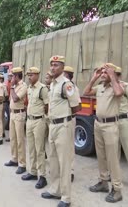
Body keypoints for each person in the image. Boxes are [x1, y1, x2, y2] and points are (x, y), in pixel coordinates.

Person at [41, 55, 81, 207]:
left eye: (56, 65)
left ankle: (66, 197)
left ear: (63, 67)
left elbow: (77, 106)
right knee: (53, 160)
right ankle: (55, 190)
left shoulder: (67, 85)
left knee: (64, 162)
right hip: (52, 125)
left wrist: (66, 116)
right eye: (51, 65)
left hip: (64, 126)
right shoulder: (53, 84)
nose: (52, 68)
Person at [84, 63, 123, 203]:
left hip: (111, 125)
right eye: (102, 72)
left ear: (112, 73)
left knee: (112, 159)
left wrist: (112, 76)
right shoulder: (100, 87)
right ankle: (103, 182)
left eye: (105, 72)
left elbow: (119, 93)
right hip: (98, 124)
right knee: (101, 156)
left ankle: (117, 190)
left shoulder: (117, 86)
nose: (102, 74)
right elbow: (86, 92)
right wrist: (94, 78)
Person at [22, 67, 48, 188]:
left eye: (31, 75)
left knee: (39, 149)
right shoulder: (29, 89)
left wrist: (43, 118)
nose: (29, 77)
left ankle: (42, 176)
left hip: (39, 121)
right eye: (28, 75)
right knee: (31, 147)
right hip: (30, 120)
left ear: (37, 75)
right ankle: (32, 171)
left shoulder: (42, 88)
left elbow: (47, 105)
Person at [4, 67, 27, 175]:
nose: (11, 78)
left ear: (17, 76)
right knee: (13, 138)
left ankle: (22, 164)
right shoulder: (15, 86)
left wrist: (12, 86)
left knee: (20, 139)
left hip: (19, 114)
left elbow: (15, 98)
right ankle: (14, 159)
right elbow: (10, 99)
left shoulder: (23, 86)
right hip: (13, 113)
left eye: (13, 76)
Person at [63, 66, 81, 182]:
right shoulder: (59, 86)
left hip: (69, 119)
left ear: (67, 75)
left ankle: (70, 171)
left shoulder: (71, 87)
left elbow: (77, 106)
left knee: (69, 146)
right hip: (61, 121)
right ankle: (62, 169)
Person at [115, 66, 128, 166]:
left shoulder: (126, 86)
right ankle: (115, 177)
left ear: (119, 75)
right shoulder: (108, 86)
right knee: (114, 151)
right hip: (112, 121)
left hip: (123, 120)